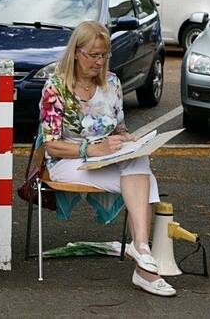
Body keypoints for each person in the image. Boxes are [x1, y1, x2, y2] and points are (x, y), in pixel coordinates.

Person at [39, 20, 175, 297]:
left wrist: (129, 140)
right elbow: (51, 147)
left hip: (103, 159)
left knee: (139, 161)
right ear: (76, 52)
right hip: (67, 162)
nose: (99, 62)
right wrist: (90, 149)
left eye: (104, 55)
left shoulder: (112, 82)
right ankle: (145, 269)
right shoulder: (56, 88)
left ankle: (142, 249)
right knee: (146, 181)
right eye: (93, 55)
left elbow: (119, 128)